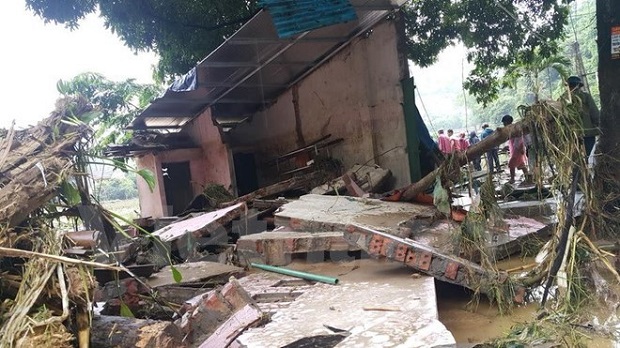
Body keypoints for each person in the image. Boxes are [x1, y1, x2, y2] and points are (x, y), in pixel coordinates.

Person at [562, 75, 601, 158]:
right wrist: (597, 125)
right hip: (587, 133)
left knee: (576, 159)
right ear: (579, 86)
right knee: (590, 156)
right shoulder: (585, 96)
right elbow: (594, 113)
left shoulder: (562, 99)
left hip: (571, 136)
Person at [501, 115, 529, 184]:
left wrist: (518, 148)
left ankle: (512, 179)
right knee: (521, 164)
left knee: (511, 164)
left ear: (507, 122)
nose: (503, 124)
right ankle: (528, 177)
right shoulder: (510, 128)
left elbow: (519, 138)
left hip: (517, 148)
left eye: (504, 123)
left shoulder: (514, 128)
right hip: (515, 148)